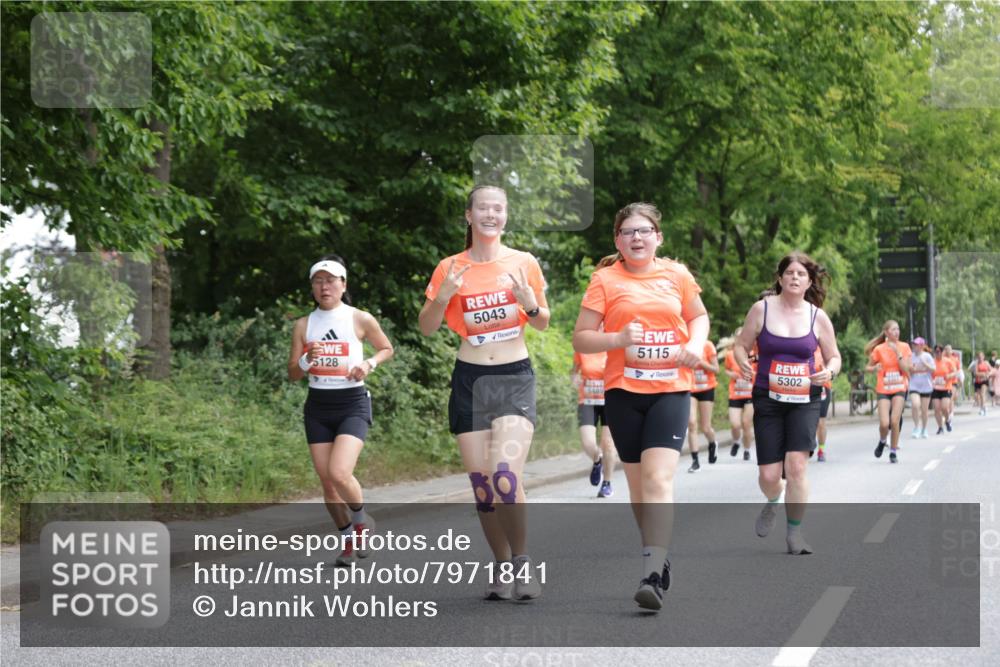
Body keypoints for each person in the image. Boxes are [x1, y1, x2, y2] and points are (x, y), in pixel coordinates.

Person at [573, 202, 709, 611]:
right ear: (618, 240)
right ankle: (658, 553)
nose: (637, 237)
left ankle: (651, 573)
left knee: (657, 480)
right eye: (628, 232)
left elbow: (699, 317)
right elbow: (582, 338)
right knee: (637, 490)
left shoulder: (677, 275)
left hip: (671, 390)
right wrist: (616, 339)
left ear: (658, 237)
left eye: (644, 230)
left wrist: (691, 343)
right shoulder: (604, 280)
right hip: (623, 393)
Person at [419, 185, 548, 601]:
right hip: (470, 380)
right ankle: (500, 563)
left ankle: (523, 562)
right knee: (481, 486)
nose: (491, 214)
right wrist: (441, 298)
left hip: (513, 377)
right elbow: (427, 326)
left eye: (499, 208)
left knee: (505, 475)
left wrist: (530, 304)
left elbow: (542, 321)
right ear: (469, 216)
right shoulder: (449, 267)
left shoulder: (523, 262)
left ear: (505, 216)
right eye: (483, 207)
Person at [288, 255, 394, 566]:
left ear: (343, 284)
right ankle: (348, 538)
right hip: (318, 406)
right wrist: (307, 361)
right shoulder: (303, 325)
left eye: (331, 280)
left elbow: (386, 348)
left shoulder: (359, 318)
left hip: (352, 403)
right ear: (312, 287)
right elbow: (293, 372)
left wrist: (368, 363)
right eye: (318, 281)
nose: (325, 286)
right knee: (327, 482)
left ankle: (362, 521)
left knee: (339, 472)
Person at [733, 252, 841, 556]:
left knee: (796, 467)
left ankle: (795, 533)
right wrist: (743, 363)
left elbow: (834, 356)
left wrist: (829, 371)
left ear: (809, 282)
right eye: (789, 273)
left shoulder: (817, 317)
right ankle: (773, 499)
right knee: (769, 476)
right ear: (780, 279)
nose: (795, 277)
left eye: (801, 274)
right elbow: (741, 346)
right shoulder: (761, 310)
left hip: (805, 399)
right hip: (768, 397)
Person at [864, 321, 912, 463]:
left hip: (899, 387)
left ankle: (893, 451)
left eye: (898, 329)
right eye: (893, 329)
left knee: (894, 420)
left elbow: (906, 369)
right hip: (883, 388)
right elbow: (867, 367)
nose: (897, 332)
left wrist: (898, 353)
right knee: (884, 423)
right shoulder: (879, 349)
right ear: (886, 332)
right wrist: (874, 368)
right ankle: (882, 440)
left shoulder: (904, 347)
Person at [573, 348, 617, 496]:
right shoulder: (583, 349)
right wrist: (574, 379)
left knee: (608, 444)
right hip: (587, 400)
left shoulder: (614, 347)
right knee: (587, 442)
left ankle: (607, 484)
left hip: (610, 400)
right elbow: (574, 371)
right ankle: (597, 460)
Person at [686, 339, 720, 472]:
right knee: (692, 423)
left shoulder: (707, 345)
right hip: (690, 388)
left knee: (706, 427)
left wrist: (701, 363)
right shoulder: (685, 344)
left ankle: (712, 443)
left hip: (706, 388)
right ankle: (695, 461)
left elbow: (716, 369)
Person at [722, 332, 755, 462]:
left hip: (750, 393)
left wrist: (752, 374)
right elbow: (726, 369)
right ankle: (736, 441)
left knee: (746, 423)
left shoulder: (754, 355)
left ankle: (746, 450)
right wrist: (731, 374)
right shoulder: (730, 354)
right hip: (735, 393)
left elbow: (761, 370)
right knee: (735, 424)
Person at [907, 337, 936, 438]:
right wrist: (912, 369)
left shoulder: (927, 356)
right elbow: (908, 369)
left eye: (916, 344)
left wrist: (925, 364)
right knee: (915, 405)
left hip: (926, 385)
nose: (914, 346)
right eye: (913, 344)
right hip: (914, 384)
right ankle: (916, 427)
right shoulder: (911, 356)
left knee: (924, 410)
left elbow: (933, 369)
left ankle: (924, 429)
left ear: (921, 346)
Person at [930, 344, 957, 434]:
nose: (938, 353)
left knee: (944, 407)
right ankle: (940, 427)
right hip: (935, 388)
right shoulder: (932, 362)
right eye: (936, 352)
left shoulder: (948, 361)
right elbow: (928, 373)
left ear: (942, 352)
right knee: (937, 408)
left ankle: (947, 421)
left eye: (939, 351)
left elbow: (955, 372)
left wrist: (949, 375)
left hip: (946, 387)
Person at [813, 347, 832, 461]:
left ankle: (821, 450)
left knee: (821, 421)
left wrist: (828, 369)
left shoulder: (825, 345)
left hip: (823, 387)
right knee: (808, 419)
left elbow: (834, 362)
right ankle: (810, 441)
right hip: (806, 385)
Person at [972, 351, 991, 416]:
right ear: (977, 357)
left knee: (983, 394)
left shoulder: (986, 363)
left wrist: (988, 374)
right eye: (979, 357)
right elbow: (975, 373)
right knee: (980, 396)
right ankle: (982, 408)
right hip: (978, 381)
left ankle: (983, 408)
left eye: (981, 357)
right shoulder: (976, 364)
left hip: (985, 381)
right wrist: (983, 374)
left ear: (983, 357)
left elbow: (991, 370)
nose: (980, 358)